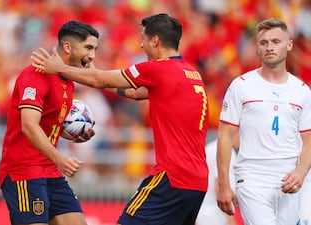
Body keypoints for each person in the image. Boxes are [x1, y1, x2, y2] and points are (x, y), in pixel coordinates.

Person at [31, 13, 209, 225]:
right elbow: (134, 93)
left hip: (171, 177)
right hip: (197, 183)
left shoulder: (157, 69)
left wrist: (59, 68)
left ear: (155, 40)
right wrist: (95, 72)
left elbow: (100, 81)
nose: (141, 45)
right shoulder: (191, 74)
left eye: (143, 38)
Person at [0, 21, 98, 225]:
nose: (92, 56)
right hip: (23, 170)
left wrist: (72, 133)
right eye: (88, 48)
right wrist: (60, 159)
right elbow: (29, 125)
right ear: (68, 47)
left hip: (50, 170)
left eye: (95, 49)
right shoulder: (36, 74)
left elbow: (48, 123)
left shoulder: (68, 81)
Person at [216, 17, 311, 225]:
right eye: (264, 42)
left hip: (289, 179)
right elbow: (225, 136)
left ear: (289, 44)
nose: (269, 47)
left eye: (276, 41)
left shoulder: (302, 91)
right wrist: (224, 183)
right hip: (252, 178)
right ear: (257, 47)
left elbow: (309, 140)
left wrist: (301, 172)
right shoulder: (241, 86)